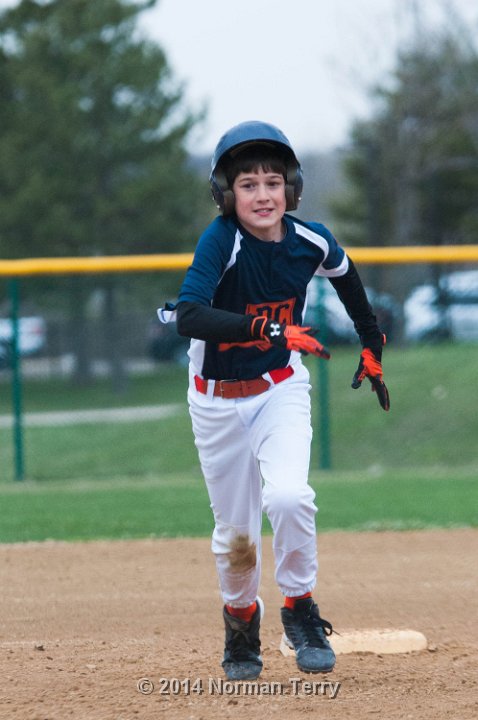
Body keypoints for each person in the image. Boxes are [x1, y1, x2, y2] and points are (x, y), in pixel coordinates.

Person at [158, 120, 390, 681]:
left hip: (279, 388)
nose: (263, 195)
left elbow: (345, 273)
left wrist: (370, 342)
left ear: (292, 188)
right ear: (226, 195)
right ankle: (241, 624)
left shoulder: (309, 239)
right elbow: (189, 314)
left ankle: (300, 610)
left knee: (290, 496)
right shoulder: (222, 240)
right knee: (235, 537)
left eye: (273, 182)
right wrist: (268, 329)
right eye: (247, 185)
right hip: (215, 401)